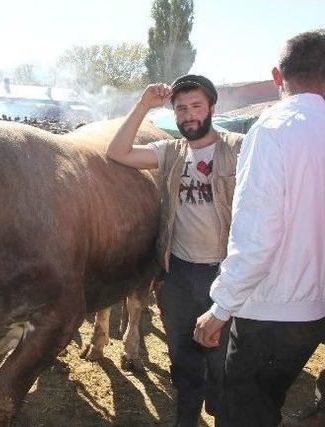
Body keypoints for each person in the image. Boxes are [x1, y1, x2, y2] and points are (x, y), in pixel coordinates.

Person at [193, 30, 325, 427]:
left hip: (272, 313)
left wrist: (220, 307)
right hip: (313, 310)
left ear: (276, 77)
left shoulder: (272, 131)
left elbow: (257, 234)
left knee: (245, 414)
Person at [106, 74, 243, 426]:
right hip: (178, 273)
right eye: (181, 108)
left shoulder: (240, 148)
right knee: (181, 355)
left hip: (224, 273)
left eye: (196, 106)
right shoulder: (171, 152)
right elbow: (117, 152)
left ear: (212, 107)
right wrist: (143, 105)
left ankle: (218, 406)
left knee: (221, 359)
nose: (188, 115)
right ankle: (187, 415)